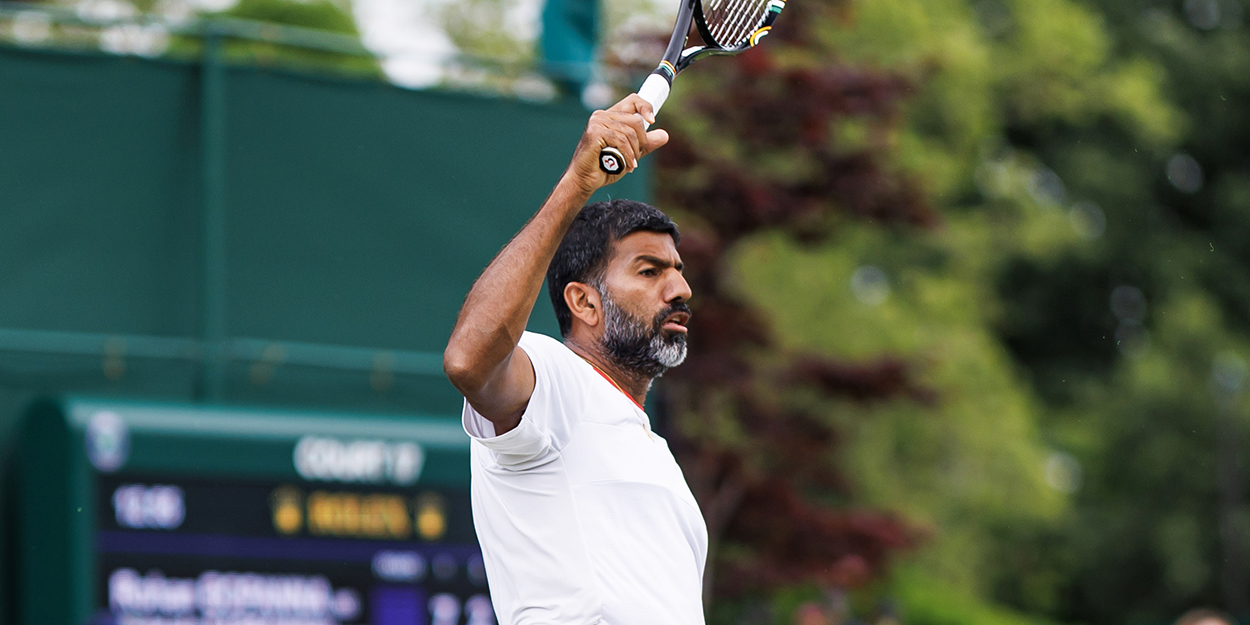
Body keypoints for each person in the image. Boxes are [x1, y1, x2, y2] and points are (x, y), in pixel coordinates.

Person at [443, 94, 707, 625]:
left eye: (677, 269)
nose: (680, 289)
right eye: (650, 271)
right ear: (583, 302)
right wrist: (577, 185)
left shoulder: (655, 454)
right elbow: (469, 359)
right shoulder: (557, 382)